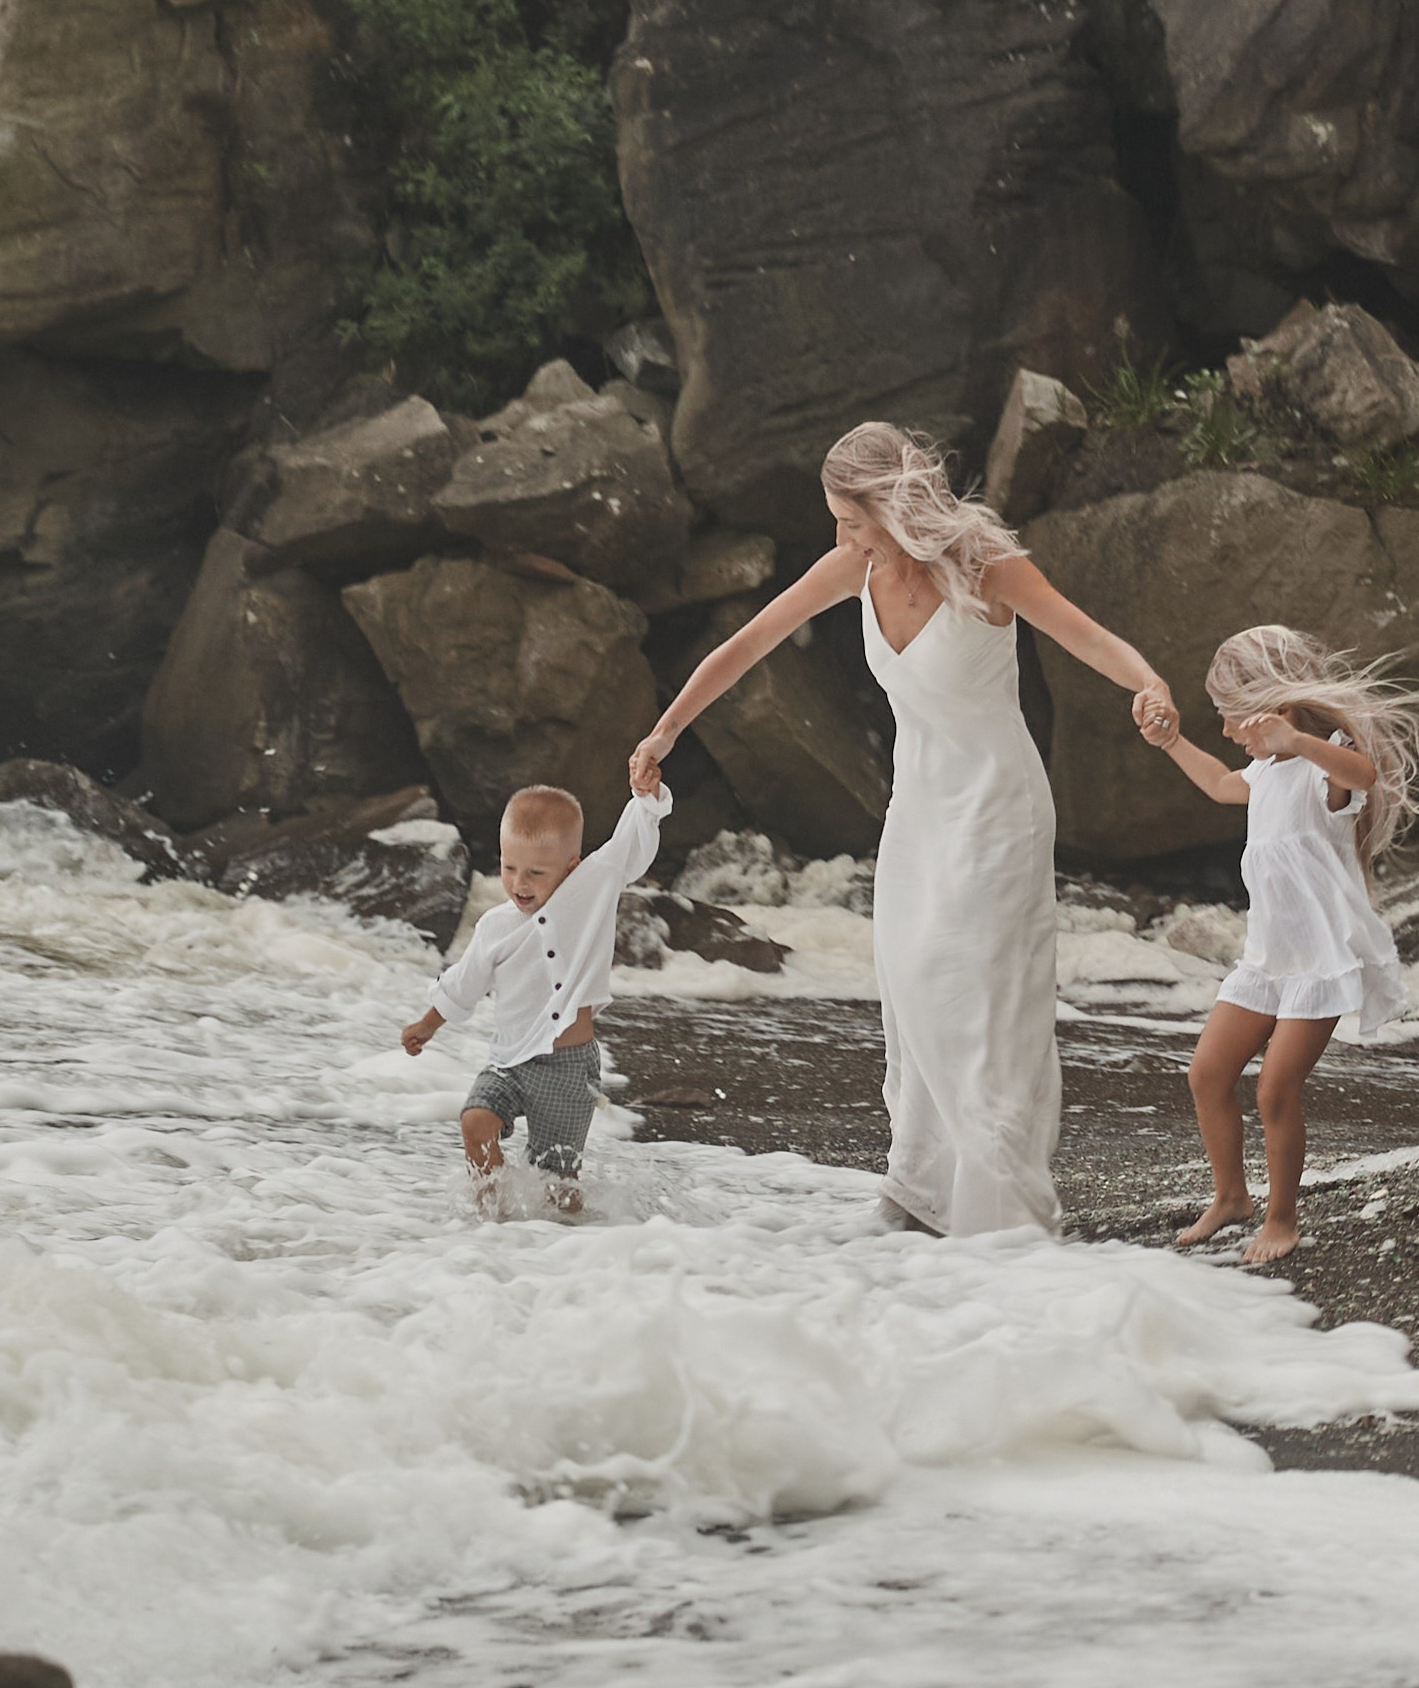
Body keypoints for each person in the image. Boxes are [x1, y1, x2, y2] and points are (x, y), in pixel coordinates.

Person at [628, 423, 1175, 1238]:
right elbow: (748, 644)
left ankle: (1002, 1214)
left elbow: (1086, 634)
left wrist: (1149, 684)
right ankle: (920, 1193)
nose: (841, 538)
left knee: (985, 1001)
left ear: (894, 507)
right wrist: (665, 731)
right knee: (913, 985)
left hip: (999, 805)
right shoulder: (855, 566)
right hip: (918, 807)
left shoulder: (987, 566)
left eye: (852, 520)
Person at [1141, 624, 1419, 1267]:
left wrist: (1296, 739)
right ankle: (1231, 1197)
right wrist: (1171, 741)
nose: (1225, 730)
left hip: (1319, 963)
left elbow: (1364, 773)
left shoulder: (1325, 761)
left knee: (1274, 1089)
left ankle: (1281, 1218)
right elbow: (1220, 785)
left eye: (1229, 715)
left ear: (1269, 704)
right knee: (1207, 1074)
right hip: (1267, 961)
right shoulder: (1267, 772)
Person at [401, 779, 671, 1217]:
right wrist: (428, 1024)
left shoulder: (591, 893)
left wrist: (646, 796)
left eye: (536, 873)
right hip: (508, 1062)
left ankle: (562, 1243)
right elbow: (464, 982)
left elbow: (630, 845)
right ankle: (494, 1220)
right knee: (475, 1122)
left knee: (559, 1190)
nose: (519, 883)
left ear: (571, 867)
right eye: (509, 867)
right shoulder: (495, 927)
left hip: (568, 1069)